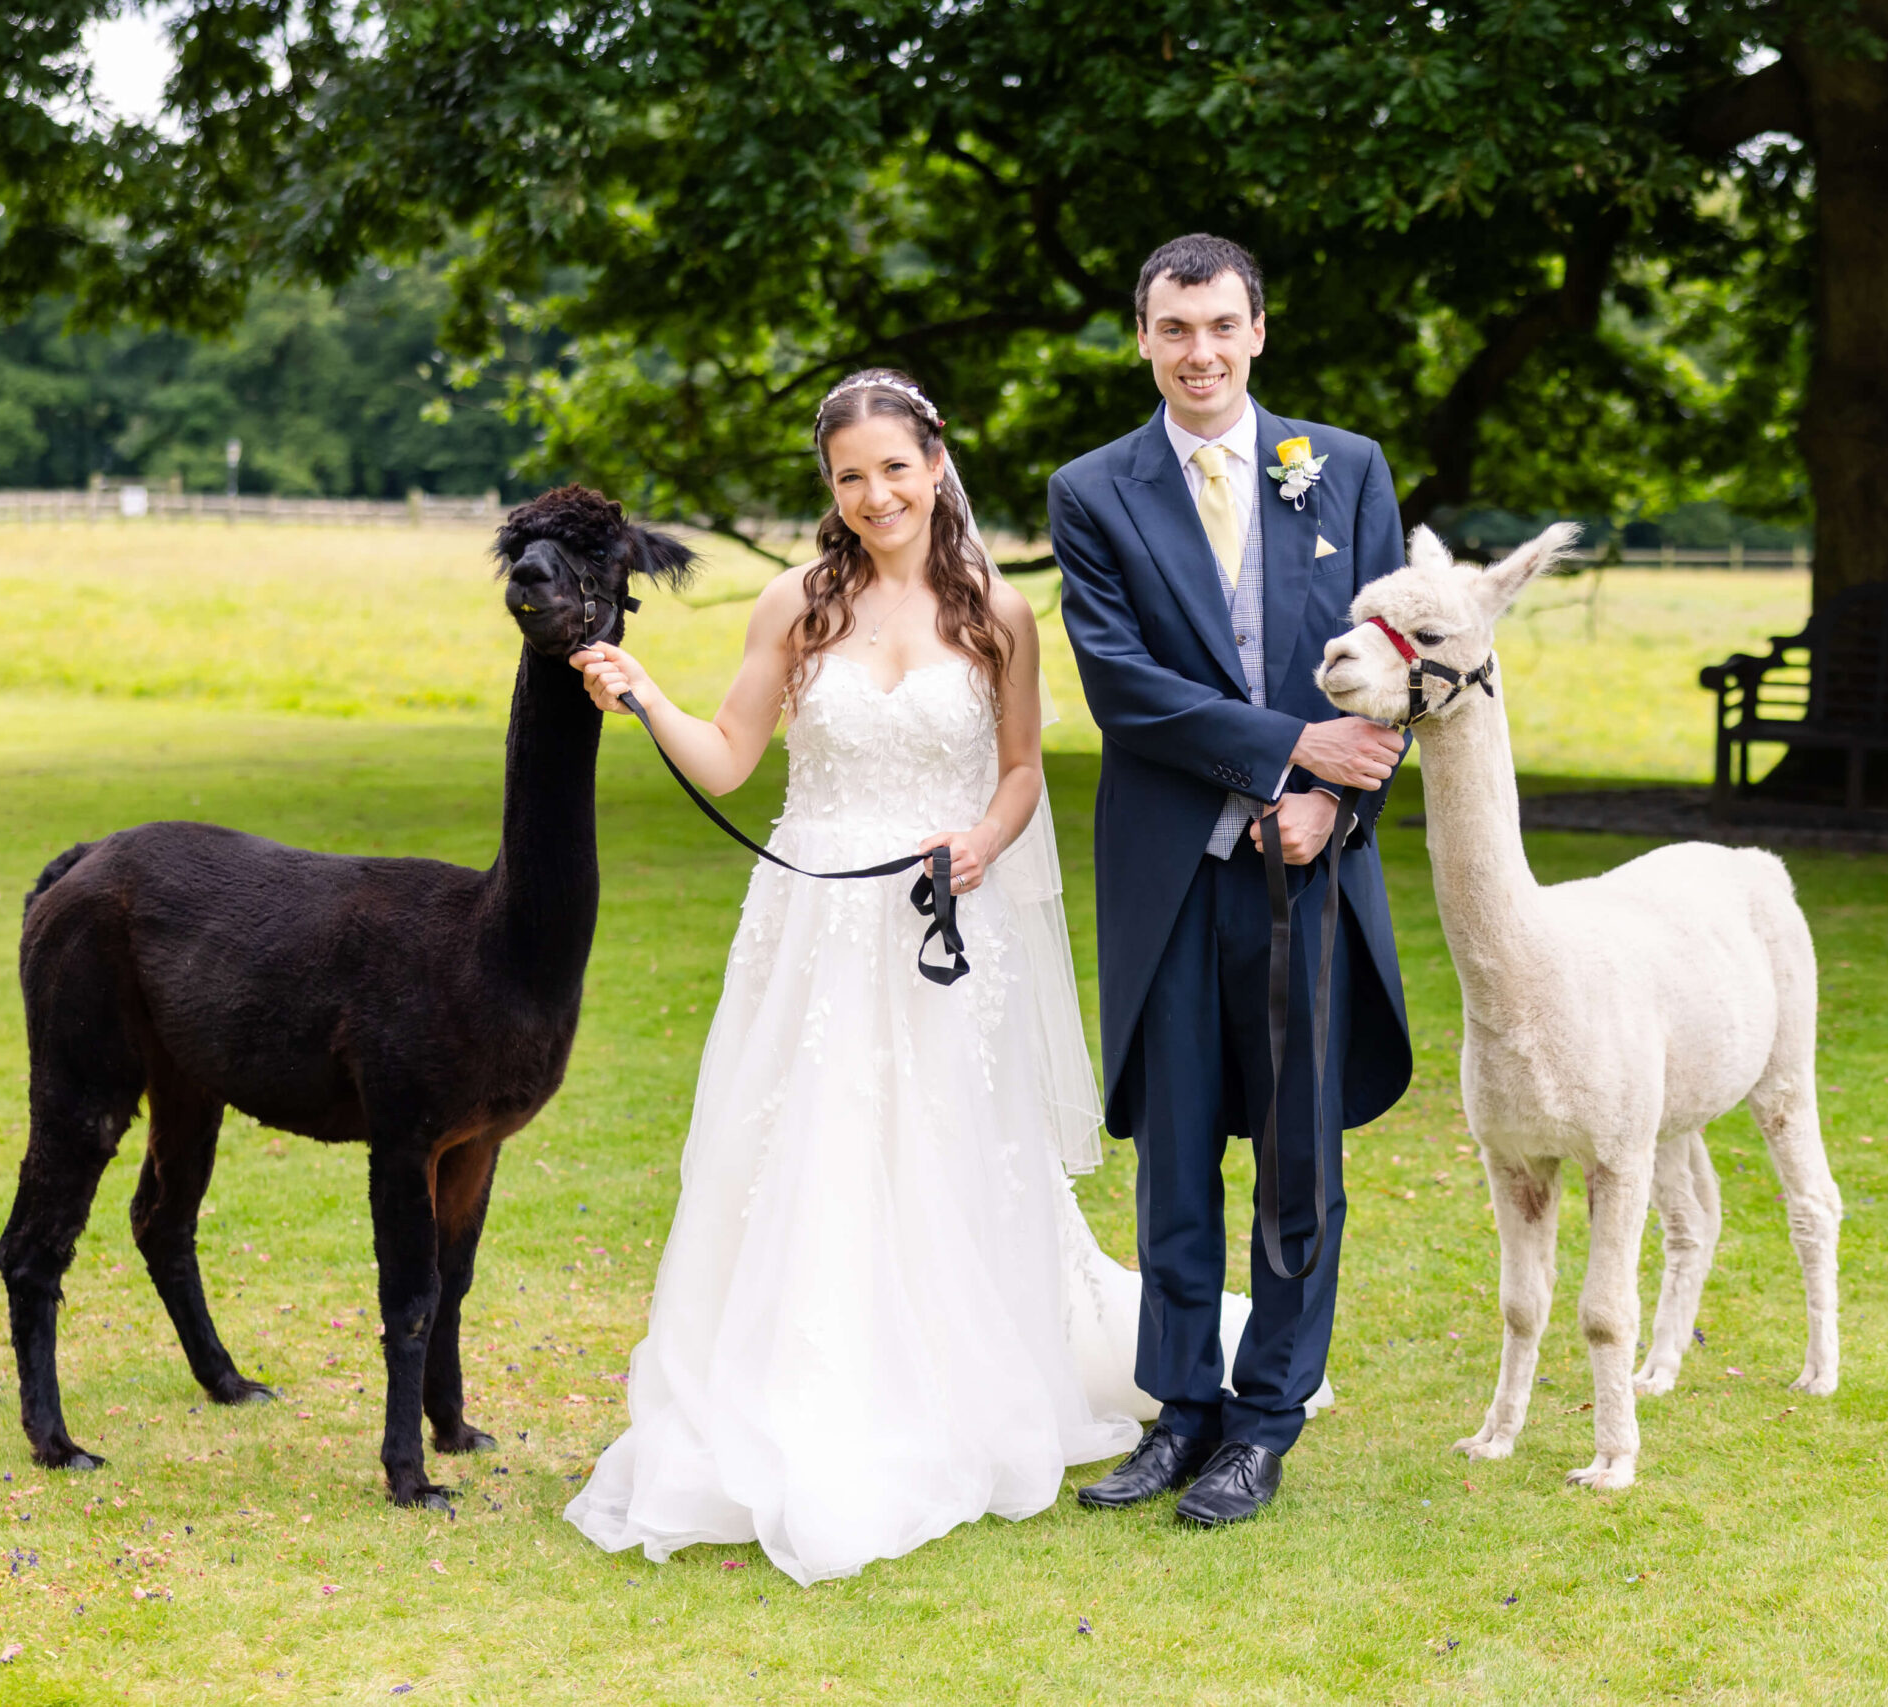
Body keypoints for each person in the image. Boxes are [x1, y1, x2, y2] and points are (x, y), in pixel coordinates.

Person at [558, 369, 1312, 1585]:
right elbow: (730, 757)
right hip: (813, 924)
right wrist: (645, 699)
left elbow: (1019, 774)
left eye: (893, 469)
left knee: (950, 1146)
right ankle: (808, 1384)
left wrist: (982, 843)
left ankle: (963, 1371)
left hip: (946, 925)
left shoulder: (998, 617)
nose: (874, 496)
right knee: (812, 1146)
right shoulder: (792, 605)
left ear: (936, 462)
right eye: (848, 477)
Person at [1050, 235, 1414, 1527]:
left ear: (1257, 329)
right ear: (1141, 337)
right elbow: (1121, 684)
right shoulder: (1092, 491)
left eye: (1219, 325)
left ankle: (1265, 1421)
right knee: (1176, 1154)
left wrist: (1333, 798)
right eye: (1171, 327)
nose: (1197, 351)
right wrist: (1283, 753)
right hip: (1171, 867)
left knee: (1299, 1161)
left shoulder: (1347, 468)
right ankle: (1180, 1408)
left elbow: (1393, 660)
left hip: (1312, 871)